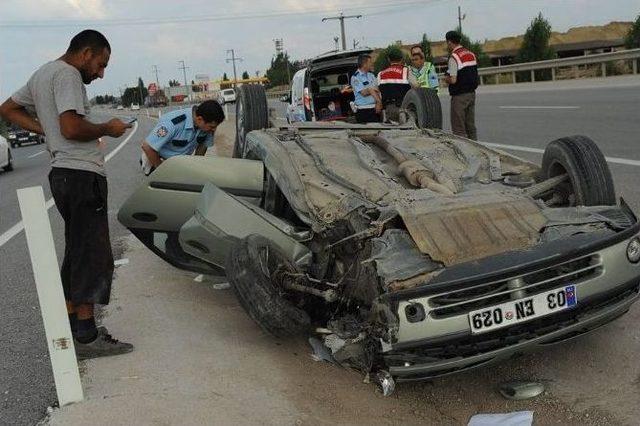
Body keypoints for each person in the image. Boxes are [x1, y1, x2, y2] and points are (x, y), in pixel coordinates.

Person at [0, 30, 133, 358]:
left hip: (62, 174)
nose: (100, 73)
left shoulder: (43, 73)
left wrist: (47, 128)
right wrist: (107, 128)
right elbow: (73, 128)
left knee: (77, 250)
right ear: (86, 53)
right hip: (81, 173)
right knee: (91, 254)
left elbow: (8, 108)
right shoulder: (68, 74)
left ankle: (73, 325)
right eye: (101, 65)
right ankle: (87, 336)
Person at [140, 100, 225, 175]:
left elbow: (203, 145)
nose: (214, 130)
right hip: (158, 159)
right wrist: (162, 171)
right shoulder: (172, 124)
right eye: (211, 126)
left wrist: (196, 166)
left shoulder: (207, 127)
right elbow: (147, 147)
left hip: (181, 161)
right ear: (199, 119)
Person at [444, 30, 479, 140]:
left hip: (459, 96)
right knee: (470, 126)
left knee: (459, 129)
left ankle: (464, 154)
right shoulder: (471, 54)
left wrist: (446, 79)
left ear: (449, 42)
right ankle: (476, 149)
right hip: (471, 94)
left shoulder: (454, 57)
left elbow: (453, 80)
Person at [350, 54, 382, 123]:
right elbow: (364, 93)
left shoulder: (371, 75)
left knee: (378, 132)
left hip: (375, 109)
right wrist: (371, 90)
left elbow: (378, 90)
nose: (372, 64)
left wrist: (378, 103)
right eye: (370, 62)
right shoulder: (355, 77)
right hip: (364, 111)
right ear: (364, 64)